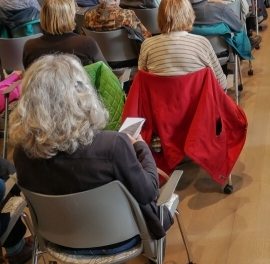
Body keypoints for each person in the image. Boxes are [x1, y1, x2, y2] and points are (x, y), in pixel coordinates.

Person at [10, 54, 172, 243]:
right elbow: (149, 192)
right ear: (82, 94)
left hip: (59, 241)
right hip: (121, 238)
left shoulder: (22, 153)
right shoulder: (113, 146)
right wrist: (140, 146)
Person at [138, 0, 227, 88]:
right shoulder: (202, 44)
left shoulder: (147, 45)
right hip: (198, 102)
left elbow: (141, 83)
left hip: (158, 102)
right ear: (189, 15)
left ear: (159, 17)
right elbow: (221, 84)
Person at [180, 0, 261, 49]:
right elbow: (238, 25)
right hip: (222, 53)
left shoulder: (177, 13)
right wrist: (222, 4)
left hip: (189, 54)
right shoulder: (219, 8)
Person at [23, 0, 106, 69]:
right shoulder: (86, 43)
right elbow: (106, 72)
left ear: (44, 16)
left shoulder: (30, 47)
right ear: (70, 16)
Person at [84, 0, 151, 39]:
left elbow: (85, 37)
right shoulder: (127, 15)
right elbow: (145, 35)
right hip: (126, 51)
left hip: (99, 51)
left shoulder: (88, 15)